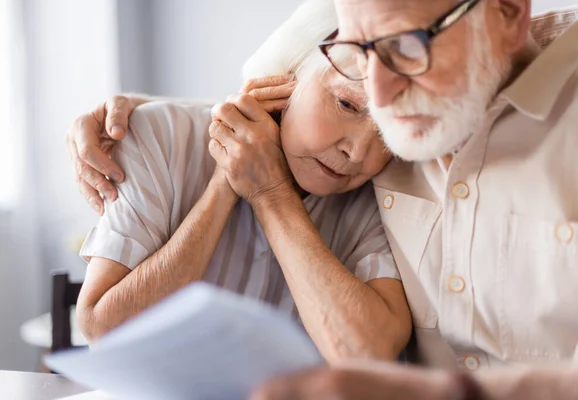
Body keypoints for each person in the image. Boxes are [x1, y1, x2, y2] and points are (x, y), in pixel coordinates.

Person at [249, 0, 578, 398]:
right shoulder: (381, 141)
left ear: (507, 14)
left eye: (406, 46)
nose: (378, 95)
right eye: (360, 50)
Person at [68, 0, 413, 364]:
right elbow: (102, 329)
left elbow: (369, 353)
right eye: (346, 104)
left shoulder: (378, 189)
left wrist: (272, 194)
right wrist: (224, 182)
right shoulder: (159, 134)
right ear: (286, 75)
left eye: (389, 128)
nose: (358, 152)